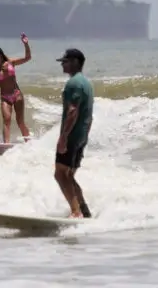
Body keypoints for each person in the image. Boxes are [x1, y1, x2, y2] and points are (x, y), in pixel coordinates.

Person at [54, 48, 94, 218]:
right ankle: (84, 209)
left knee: (60, 174)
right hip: (81, 135)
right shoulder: (86, 83)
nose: (62, 64)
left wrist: (63, 137)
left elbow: (72, 111)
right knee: (69, 175)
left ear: (75, 62)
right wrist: (83, 135)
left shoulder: (74, 84)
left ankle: (76, 211)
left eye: (65, 61)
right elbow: (89, 114)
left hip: (72, 136)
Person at [0, 32, 32, 143]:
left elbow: (28, 58)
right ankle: (6, 146)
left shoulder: (11, 63)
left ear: (0, 55)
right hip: (5, 98)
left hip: (17, 94)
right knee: (6, 121)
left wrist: (26, 44)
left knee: (20, 122)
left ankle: (29, 143)